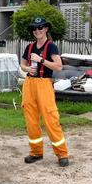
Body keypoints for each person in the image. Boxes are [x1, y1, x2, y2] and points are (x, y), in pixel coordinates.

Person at [19, 17, 69, 167]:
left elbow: (59, 66)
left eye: (40, 28)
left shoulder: (51, 47)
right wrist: (26, 68)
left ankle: (62, 153)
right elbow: (22, 64)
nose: (37, 31)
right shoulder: (29, 47)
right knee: (31, 119)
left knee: (50, 117)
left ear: (46, 29)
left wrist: (41, 60)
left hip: (44, 84)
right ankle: (36, 152)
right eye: (34, 29)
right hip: (29, 84)